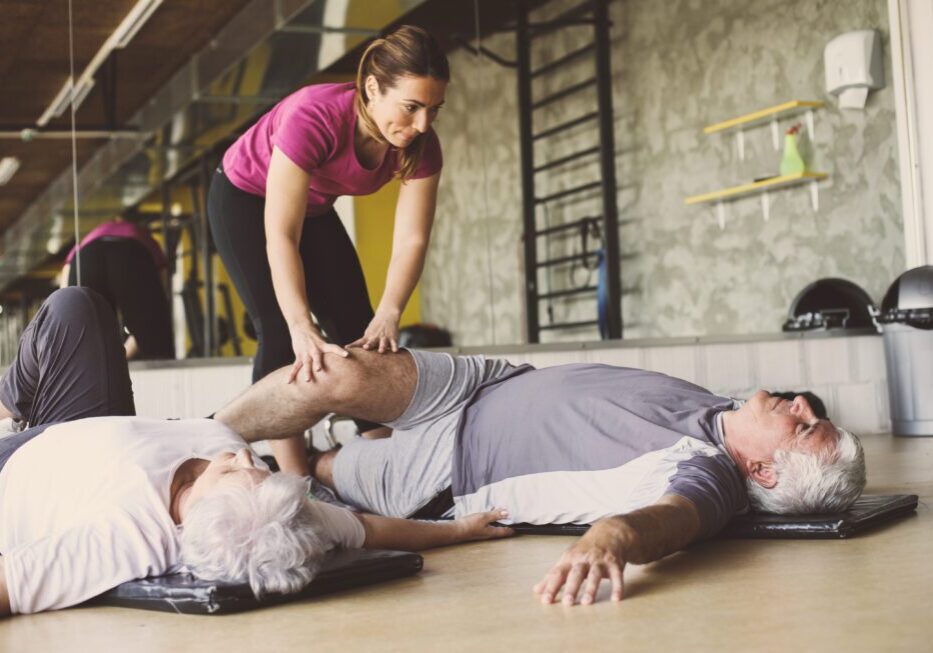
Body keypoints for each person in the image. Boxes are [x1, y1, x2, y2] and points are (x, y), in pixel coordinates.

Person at [214, 347, 867, 607]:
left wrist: (606, 540)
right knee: (339, 371)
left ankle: (233, 449)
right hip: (494, 380)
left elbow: (670, 520)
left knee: (325, 452)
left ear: (760, 470)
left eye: (805, 426)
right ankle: (222, 436)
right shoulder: (725, 412)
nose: (804, 405)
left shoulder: (712, 477)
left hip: (453, 460)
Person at [0, 288, 510, 616]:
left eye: (239, 473)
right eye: (259, 471)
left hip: (15, 469)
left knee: (70, 311)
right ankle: (10, 402)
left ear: (190, 521)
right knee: (80, 306)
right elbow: (368, 529)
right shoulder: (273, 511)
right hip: (94, 428)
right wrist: (459, 530)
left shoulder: (122, 539)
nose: (249, 459)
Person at [207, 24, 449, 475]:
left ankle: (385, 465)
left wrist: (391, 312)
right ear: (373, 88)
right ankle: (295, 482)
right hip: (243, 197)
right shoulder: (313, 115)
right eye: (412, 107)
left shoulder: (421, 146)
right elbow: (281, 233)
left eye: (434, 109)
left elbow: (412, 238)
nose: (422, 125)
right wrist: (302, 324)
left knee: (362, 329)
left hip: (313, 209)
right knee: (282, 332)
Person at [61, 217, 174, 360]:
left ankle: (101, 367)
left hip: (85, 258)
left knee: (84, 332)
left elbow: (63, 298)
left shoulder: (85, 240)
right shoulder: (144, 236)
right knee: (152, 332)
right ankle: (120, 362)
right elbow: (161, 287)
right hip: (131, 253)